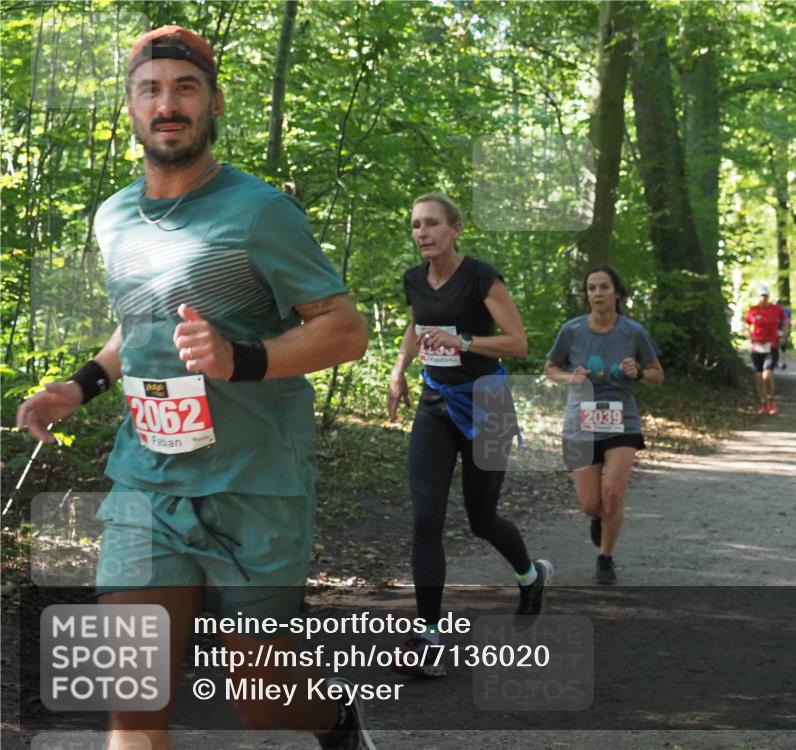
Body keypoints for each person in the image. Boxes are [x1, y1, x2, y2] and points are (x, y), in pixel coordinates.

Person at [16, 27, 373, 750]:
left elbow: (344, 331)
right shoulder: (114, 217)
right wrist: (79, 387)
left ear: (213, 102)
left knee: (262, 700)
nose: (167, 103)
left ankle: (338, 724)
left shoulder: (260, 212)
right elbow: (135, 328)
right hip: (147, 481)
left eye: (185, 88)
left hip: (255, 484)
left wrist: (240, 357)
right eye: (151, 89)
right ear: (131, 106)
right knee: (131, 692)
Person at [387, 192, 551, 674]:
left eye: (432, 224)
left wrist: (464, 341)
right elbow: (417, 324)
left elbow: (518, 343)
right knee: (425, 520)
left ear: (455, 229)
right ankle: (429, 639)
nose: (422, 233)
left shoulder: (482, 276)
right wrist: (400, 370)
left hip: (487, 405)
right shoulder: (414, 279)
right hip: (435, 405)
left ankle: (530, 576)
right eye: (416, 225)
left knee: (482, 520)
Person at [543, 266, 664, 584]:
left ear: (617, 293)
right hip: (581, 422)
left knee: (613, 494)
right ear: (587, 295)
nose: (597, 293)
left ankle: (605, 558)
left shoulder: (633, 332)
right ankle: (598, 518)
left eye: (604, 287)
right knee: (590, 504)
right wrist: (571, 377)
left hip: (622, 420)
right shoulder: (571, 331)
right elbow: (550, 368)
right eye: (592, 288)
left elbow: (657, 374)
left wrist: (637, 371)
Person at [744, 284, 786, 415]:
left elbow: (785, 321)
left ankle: (771, 400)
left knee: (767, 374)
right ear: (758, 297)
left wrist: (783, 335)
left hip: (771, 345)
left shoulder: (776, 309)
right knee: (758, 376)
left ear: (769, 297)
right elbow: (746, 324)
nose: (764, 298)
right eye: (761, 296)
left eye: (766, 296)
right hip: (757, 346)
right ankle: (763, 402)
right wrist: (749, 336)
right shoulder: (753, 310)